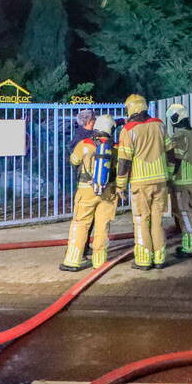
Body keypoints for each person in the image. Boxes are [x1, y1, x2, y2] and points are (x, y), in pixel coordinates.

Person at [116, 94, 173, 270]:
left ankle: (143, 259)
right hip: (160, 180)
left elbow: (124, 161)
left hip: (140, 182)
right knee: (157, 221)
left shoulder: (128, 130)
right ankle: (160, 258)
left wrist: (120, 185)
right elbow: (171, 152)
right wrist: (168, 175)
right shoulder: (159, 125)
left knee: (142, 220)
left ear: (131, 108)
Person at [60, 114, 118, 272]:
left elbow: (74, 161)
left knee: (80, 224)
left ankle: (72, 261)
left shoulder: (85, 144)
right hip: (108, 192)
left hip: (86, 190)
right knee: (102, 226)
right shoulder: (114, 148)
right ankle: (99, 261)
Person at [166, 103, 192, 258]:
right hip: (191, 180)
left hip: (181, 181)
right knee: (186, 214)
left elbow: (176, 158)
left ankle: (191, 247)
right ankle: (188, 244)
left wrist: (169, 176)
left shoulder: (180, 136)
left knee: (185, 214)